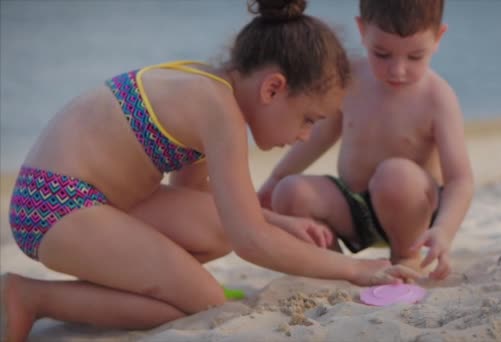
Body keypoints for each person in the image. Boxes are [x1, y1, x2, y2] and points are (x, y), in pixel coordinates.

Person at [1, 1, 421, 340]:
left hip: (93, 200)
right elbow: (251, 243)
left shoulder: (211, 88)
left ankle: (145, 275)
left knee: (213, 232)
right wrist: (355, 269)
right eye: (308, 119)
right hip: (55, 207)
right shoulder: (218, 111)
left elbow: (205, 204)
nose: (305, 136)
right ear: (273, 88)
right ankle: (33, 296)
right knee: (205, 300)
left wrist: (276, 220)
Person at [259, 0, 474, 282]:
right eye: (382, 54)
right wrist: (276, 178)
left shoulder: (437, 97)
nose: (397, 70)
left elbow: (461, 180)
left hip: (411, 213)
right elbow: (318, 135)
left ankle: (406, 259)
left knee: (394, 175)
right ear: (362, 30)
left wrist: (443, 232)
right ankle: (335, 268)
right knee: (289, 191)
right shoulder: (350, 78)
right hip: (353, 206)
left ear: (438, 39)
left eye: (414, 57)